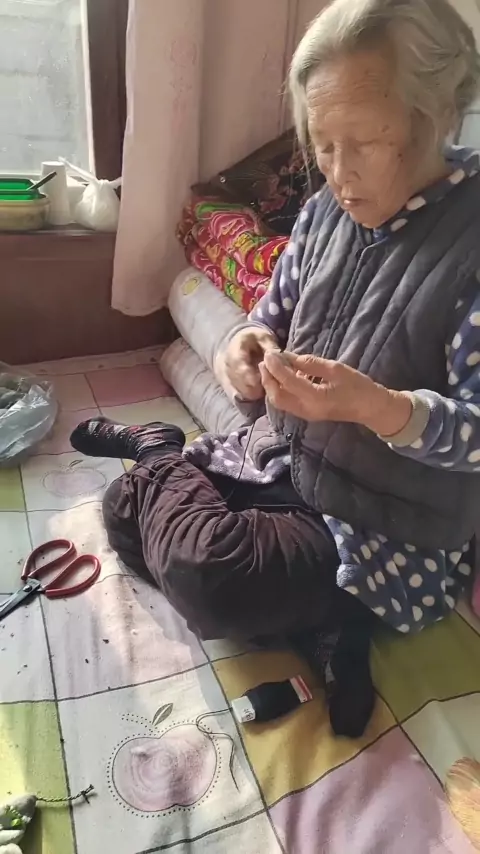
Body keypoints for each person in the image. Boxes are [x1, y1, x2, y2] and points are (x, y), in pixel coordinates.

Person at [71, 0, 480, 738]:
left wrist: (377, 407)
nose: (340, 173)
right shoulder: (324, 212)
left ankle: (162, 454)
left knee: (210, 573)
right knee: (124, 512)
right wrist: (246, 345)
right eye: (323, 146)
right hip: (282, 465)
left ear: (437, 115)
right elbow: (272, 315)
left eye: (365, 143)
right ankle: (329, 622)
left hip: (380, 523)